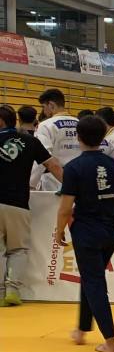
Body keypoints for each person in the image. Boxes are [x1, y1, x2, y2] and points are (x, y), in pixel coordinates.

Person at [56, 113, 114, 352]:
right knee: (91, 277)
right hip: (111, 232)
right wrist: (109, 204)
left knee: (94, 282)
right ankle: (82, 329)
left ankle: (110, 341)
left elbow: (64, 209)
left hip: (86, 232)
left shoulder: (74, 168)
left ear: (79, 137)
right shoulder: (113, 164)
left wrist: (59, 230)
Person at [0, 102, 63, 307]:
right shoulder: (31, 141)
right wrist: (72, 187)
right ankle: (12, 289)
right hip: (18, 202)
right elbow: (52, 165)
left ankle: (0, 292)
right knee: (18, 249)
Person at [34, 88, 80, 190]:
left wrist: (31, 183)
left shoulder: (45, 125)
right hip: (80, 177)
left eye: (44, 107)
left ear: (51, 105)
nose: (44, 111)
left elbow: (42, 158)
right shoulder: (80, 123)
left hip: (53, 180)